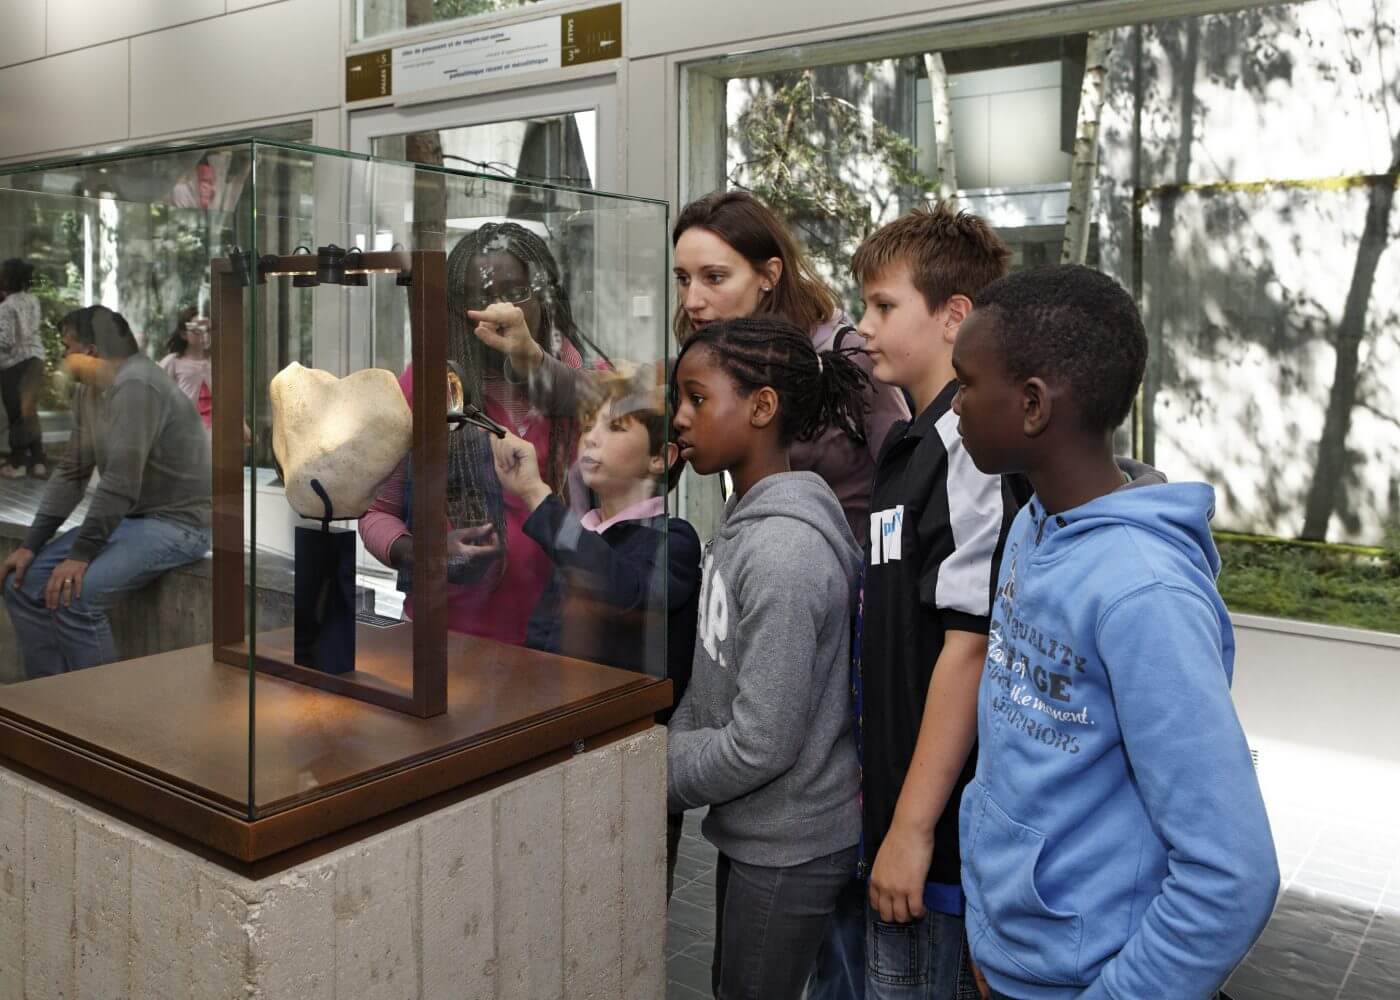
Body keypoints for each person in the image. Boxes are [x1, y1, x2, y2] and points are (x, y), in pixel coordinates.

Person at [951, 265, 1279, 1000]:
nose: (956, 406)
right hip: (1012, 962)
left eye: (967, 383)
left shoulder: (1144, 592)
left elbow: (1232, 875)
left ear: (1033, 404)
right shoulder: (1036, 525)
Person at [812, 202, 1017, 1000]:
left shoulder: (970, 448)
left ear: (954, 317)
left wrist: (912, 829)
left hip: (941, 846)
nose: (861, 328)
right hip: (900, 823)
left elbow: (970, 645)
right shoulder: (911, 443)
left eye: (884, 306)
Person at [666, 315, 868, 1000]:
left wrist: (652, 772)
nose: (679, 420)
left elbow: (762, 742)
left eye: (697, 399)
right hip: (758, 831)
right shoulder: (747, 526)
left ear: (761, 406)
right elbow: (711, 683)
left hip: (791, 843)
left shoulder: (784, 553)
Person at [489, 364, 702, 896]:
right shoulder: (584, 533)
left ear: (661, 458)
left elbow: (621, 588)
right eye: (590, 424)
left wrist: (537, 496)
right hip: (557, 762)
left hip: (624, 778)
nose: (591, 436)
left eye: (614, 427)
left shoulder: (674, 541)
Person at [359, 222, 599, 646]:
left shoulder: (585, 383)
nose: (501, 310)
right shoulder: (429, 386)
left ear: (544, 297)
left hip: (567, 643)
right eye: (482, 297)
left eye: (515, 293)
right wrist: (426, 552)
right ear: (457, 308)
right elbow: (376, 512)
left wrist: (533, 361)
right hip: (450, 641)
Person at [672, 190, 909, 545]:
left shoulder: (847, 353)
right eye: (683, 278)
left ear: (769, 275)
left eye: (715, 278)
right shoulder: (707, 353)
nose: (692, 300)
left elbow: (905, 477)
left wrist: (880, 583)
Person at [1, 306, 211, 677]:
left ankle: (102, 720)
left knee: (75, 598)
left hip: (177, 523)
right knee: (22, 587)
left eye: (68, 348)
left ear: (92, 351)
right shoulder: (90, 393)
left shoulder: (137, 385)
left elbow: (120, 481)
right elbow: (72, 472)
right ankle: (51, 707)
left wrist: (81, 554)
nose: (63, 357)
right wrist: (30, 544)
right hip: (131, 520)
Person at [0, 258, 49, 479]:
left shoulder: (7, 306)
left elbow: (6, 341)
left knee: (16, 414)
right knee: (29, 411)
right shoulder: (33, 300)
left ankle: (18, 464)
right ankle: (39, 461)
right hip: (36, 359)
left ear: (7, 278)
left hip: (14, 363)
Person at [158, 308, 212, 428]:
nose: (204, 335)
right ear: (183, 334)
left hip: (215, 431)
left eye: (207, 330)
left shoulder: (215, 362)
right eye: (197, 330)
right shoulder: (173, 361)